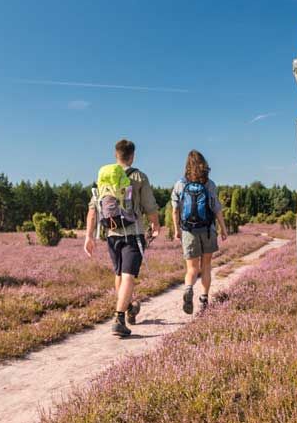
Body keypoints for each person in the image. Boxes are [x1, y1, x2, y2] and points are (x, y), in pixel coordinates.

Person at [84, 139, 160, 338]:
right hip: (132, 233)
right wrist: (155, 225)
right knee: (129, 275)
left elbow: (93, 209)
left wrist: (88, 237)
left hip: (111, 234)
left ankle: (128, 307)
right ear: (132, 156)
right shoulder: (139, 176)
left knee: (119, 274)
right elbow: (149, 205)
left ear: (116, 155)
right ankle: (119, 318)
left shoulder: (104, 177)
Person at [171, 150, 228, 315]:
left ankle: (188, 288)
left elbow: (175, 210)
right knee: (206, 266)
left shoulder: (180, 184)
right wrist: (223, 229)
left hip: (189, 231)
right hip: (208, 230)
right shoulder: (209, 184)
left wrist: (177, 230)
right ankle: (204, 299)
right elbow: (217, 209)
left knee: (192, 269)